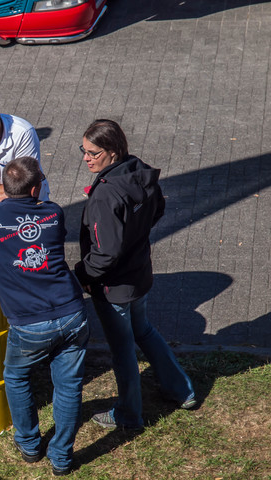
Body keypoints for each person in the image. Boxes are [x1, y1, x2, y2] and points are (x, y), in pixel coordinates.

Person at [0, 157, 89, 476]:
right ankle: (61, 458)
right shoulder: (53, 212)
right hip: (72, 312)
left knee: (17, 376)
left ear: (4, 187)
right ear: (35, 188)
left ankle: (30, 444)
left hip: (29, 322)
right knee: (68, 385)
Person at [74, 119, 196, 431]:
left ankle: (129, 415)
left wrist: (83, 273)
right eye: (83, 151)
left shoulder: (105, 196)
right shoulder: (138, 170)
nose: (86, 158)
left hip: (113, 286)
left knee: (123, 351)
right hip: (140, 274)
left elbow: (106, 253)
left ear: (112, 152)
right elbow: (158, 209)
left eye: (92, 153)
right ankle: (182, 390)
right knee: (143, 331)